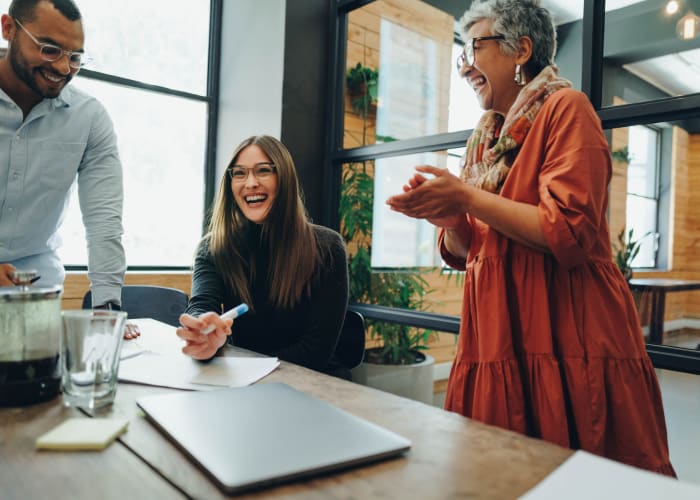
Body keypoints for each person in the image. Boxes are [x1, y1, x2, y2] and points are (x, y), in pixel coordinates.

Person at [387, 0, 674, 475]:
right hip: (497, 332)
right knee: (497, 475)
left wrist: (468, 200)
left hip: (567, 330)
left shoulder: (567, 109)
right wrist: (450, 217)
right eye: (463, 54)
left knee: (579, 476)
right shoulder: (484, 140)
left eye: (474, 48)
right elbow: (470, 251)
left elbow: (569, 230)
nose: (466, 69)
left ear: (521, 49)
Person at [176, 135, 350, 377]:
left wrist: (246, 369)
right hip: (245, 380)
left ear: (285, 179)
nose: (250, 183)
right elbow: (202, 305)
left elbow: (315, 352)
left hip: (311, 383)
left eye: (263, 171)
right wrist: (203, 332)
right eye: (239, 173)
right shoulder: (213, 248)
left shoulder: (327, 247)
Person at [0, 1, 130, 319]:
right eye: (49, 50)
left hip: (33, 300)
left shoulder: (89, 118)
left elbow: (104, 220)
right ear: (8, 28)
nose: (62, 68)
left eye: (74, 57)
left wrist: (106, 306)